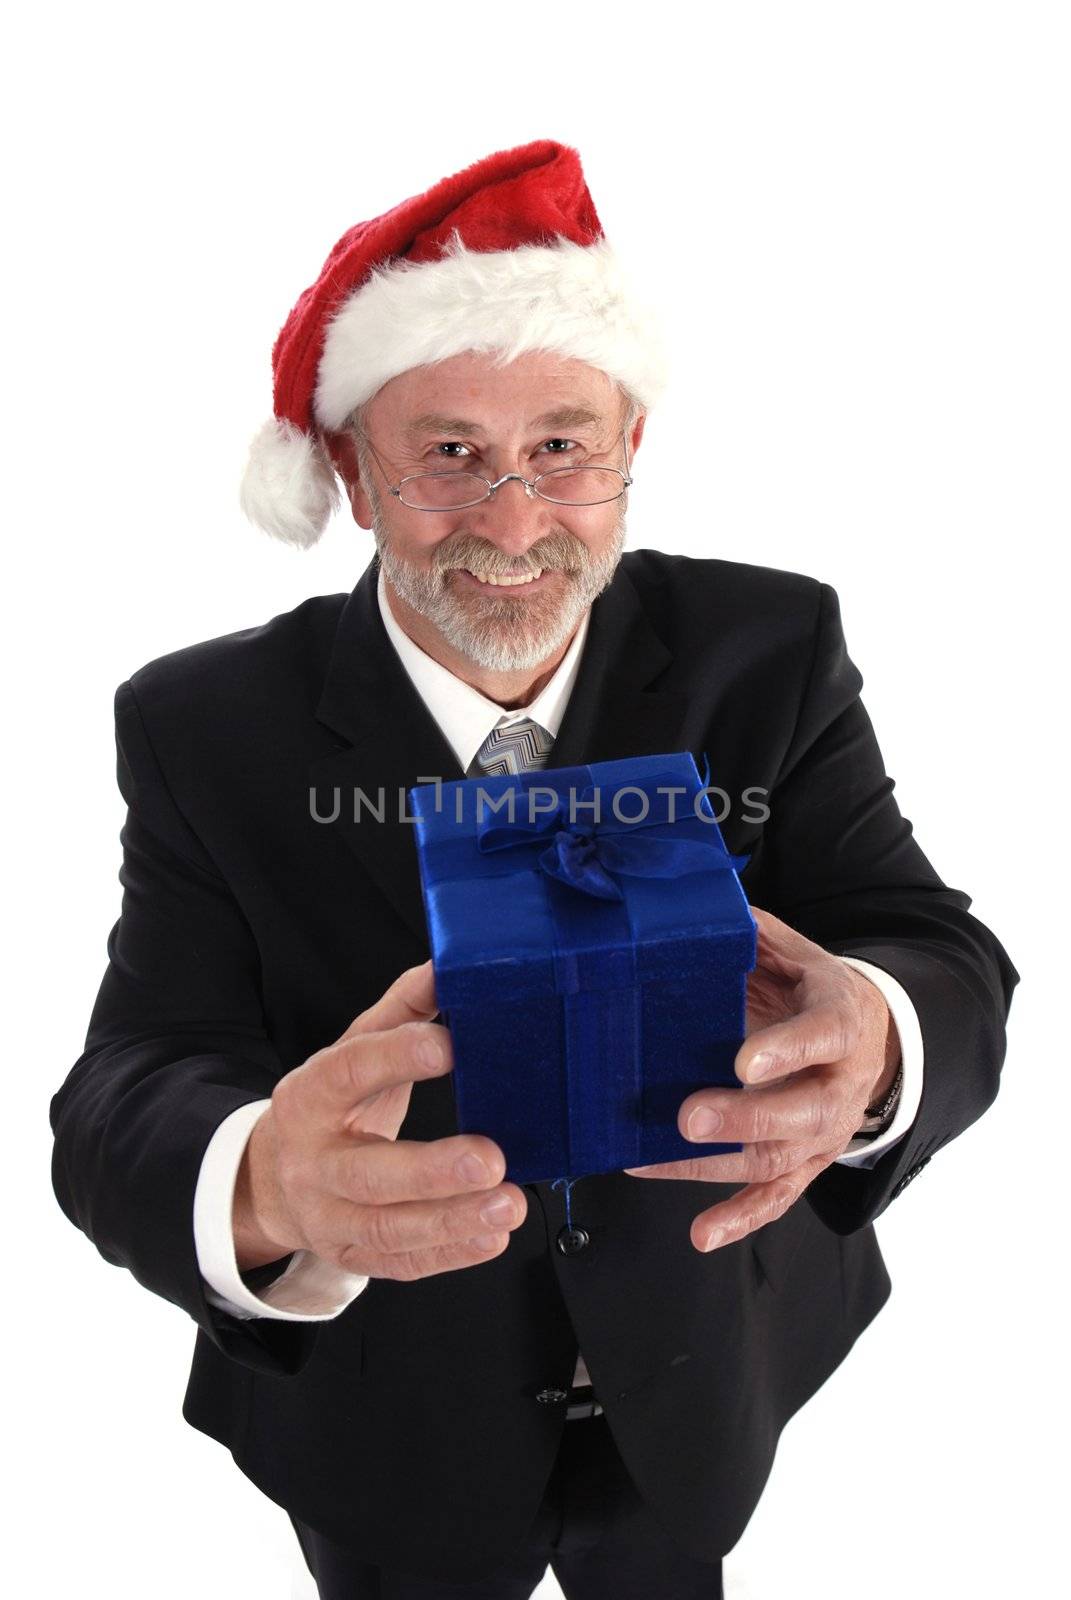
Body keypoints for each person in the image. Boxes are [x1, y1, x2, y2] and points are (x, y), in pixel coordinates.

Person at [49, 139, 1019, 1600]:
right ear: (351, 478)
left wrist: (878, 1032)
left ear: (631, 446)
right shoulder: (203, 726)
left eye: (559, 445)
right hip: (384, 1409)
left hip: (710, 1365)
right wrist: (264, 1182)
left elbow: (927, 942)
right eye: (448, 453)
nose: (512, 523)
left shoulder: (773, 651)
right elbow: (133, 1076)